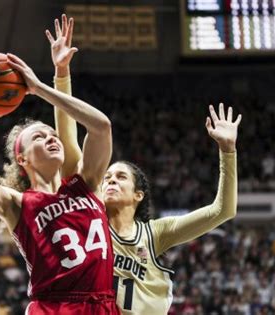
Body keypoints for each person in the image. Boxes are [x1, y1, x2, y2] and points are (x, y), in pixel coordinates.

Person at [48, 14, 241, 314]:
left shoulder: (155, 234)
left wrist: (227, 151)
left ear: (139, 195)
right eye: (108, 176)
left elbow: (223, 210)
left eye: (120, 177)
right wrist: (62, 72)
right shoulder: (89, 218)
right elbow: (69, 143)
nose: (109, 180)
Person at [0, 53, 120, 314]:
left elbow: (101, 126)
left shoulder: (87, 183)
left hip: (102, 305)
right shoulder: (19, 204)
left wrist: (39, 88)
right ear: (22, 158)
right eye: (39, 137)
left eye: (53, 134)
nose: (50, 138)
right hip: (52, 307)